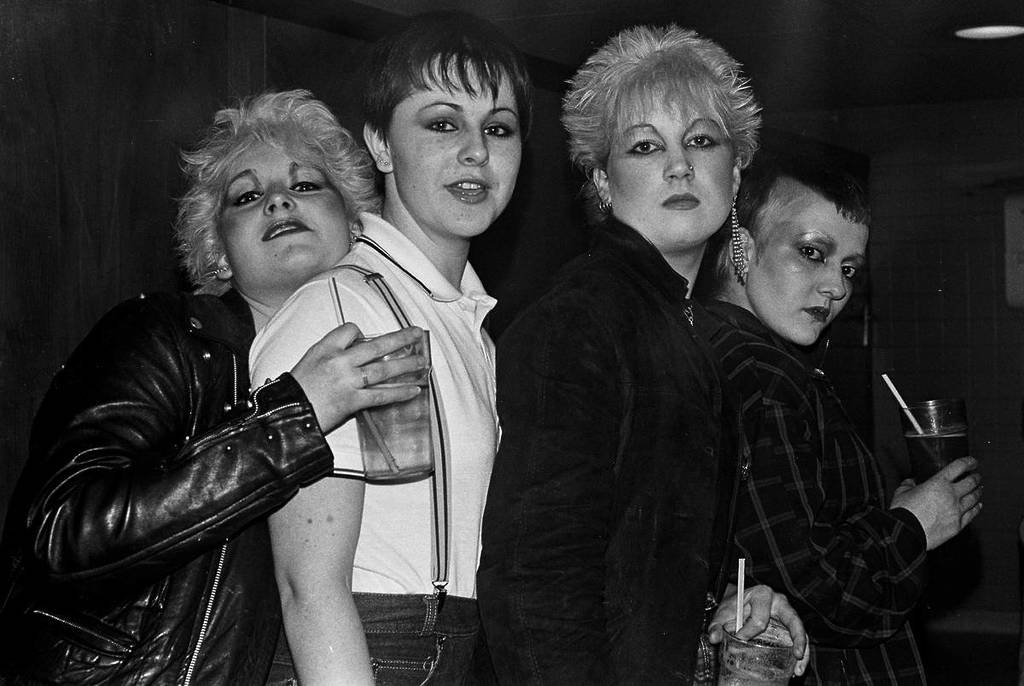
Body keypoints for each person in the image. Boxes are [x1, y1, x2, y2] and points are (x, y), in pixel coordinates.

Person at [0, 89, 425, 684]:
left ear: (355, 226)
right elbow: (64, 529)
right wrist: (294, 418)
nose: (279, 201)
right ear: (219, 255)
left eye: (306, 186)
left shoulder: (378, 349)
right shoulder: (162, 335)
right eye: (247, 197)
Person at [477, 25, 807, 684]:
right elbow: (536, 592)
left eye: (703, 141)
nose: (679, 165)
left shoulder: (681, 327)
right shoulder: (582, 321)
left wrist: (727, 612)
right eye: (645, 146)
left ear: (736, 171)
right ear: (601, 180)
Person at [248, 12, 531, 685]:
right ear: (379, 144)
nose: (475, 151)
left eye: (498, 128)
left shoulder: (473, 324)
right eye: (441, 123)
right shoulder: (342, 307)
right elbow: (308, 590)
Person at [697, 152, 984, 684]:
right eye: (812, 253)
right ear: (742, 245)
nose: (837, 288)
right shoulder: (764, 375)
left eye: (849, 268)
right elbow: (815, 588)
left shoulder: (719, 352)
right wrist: (914, 526)